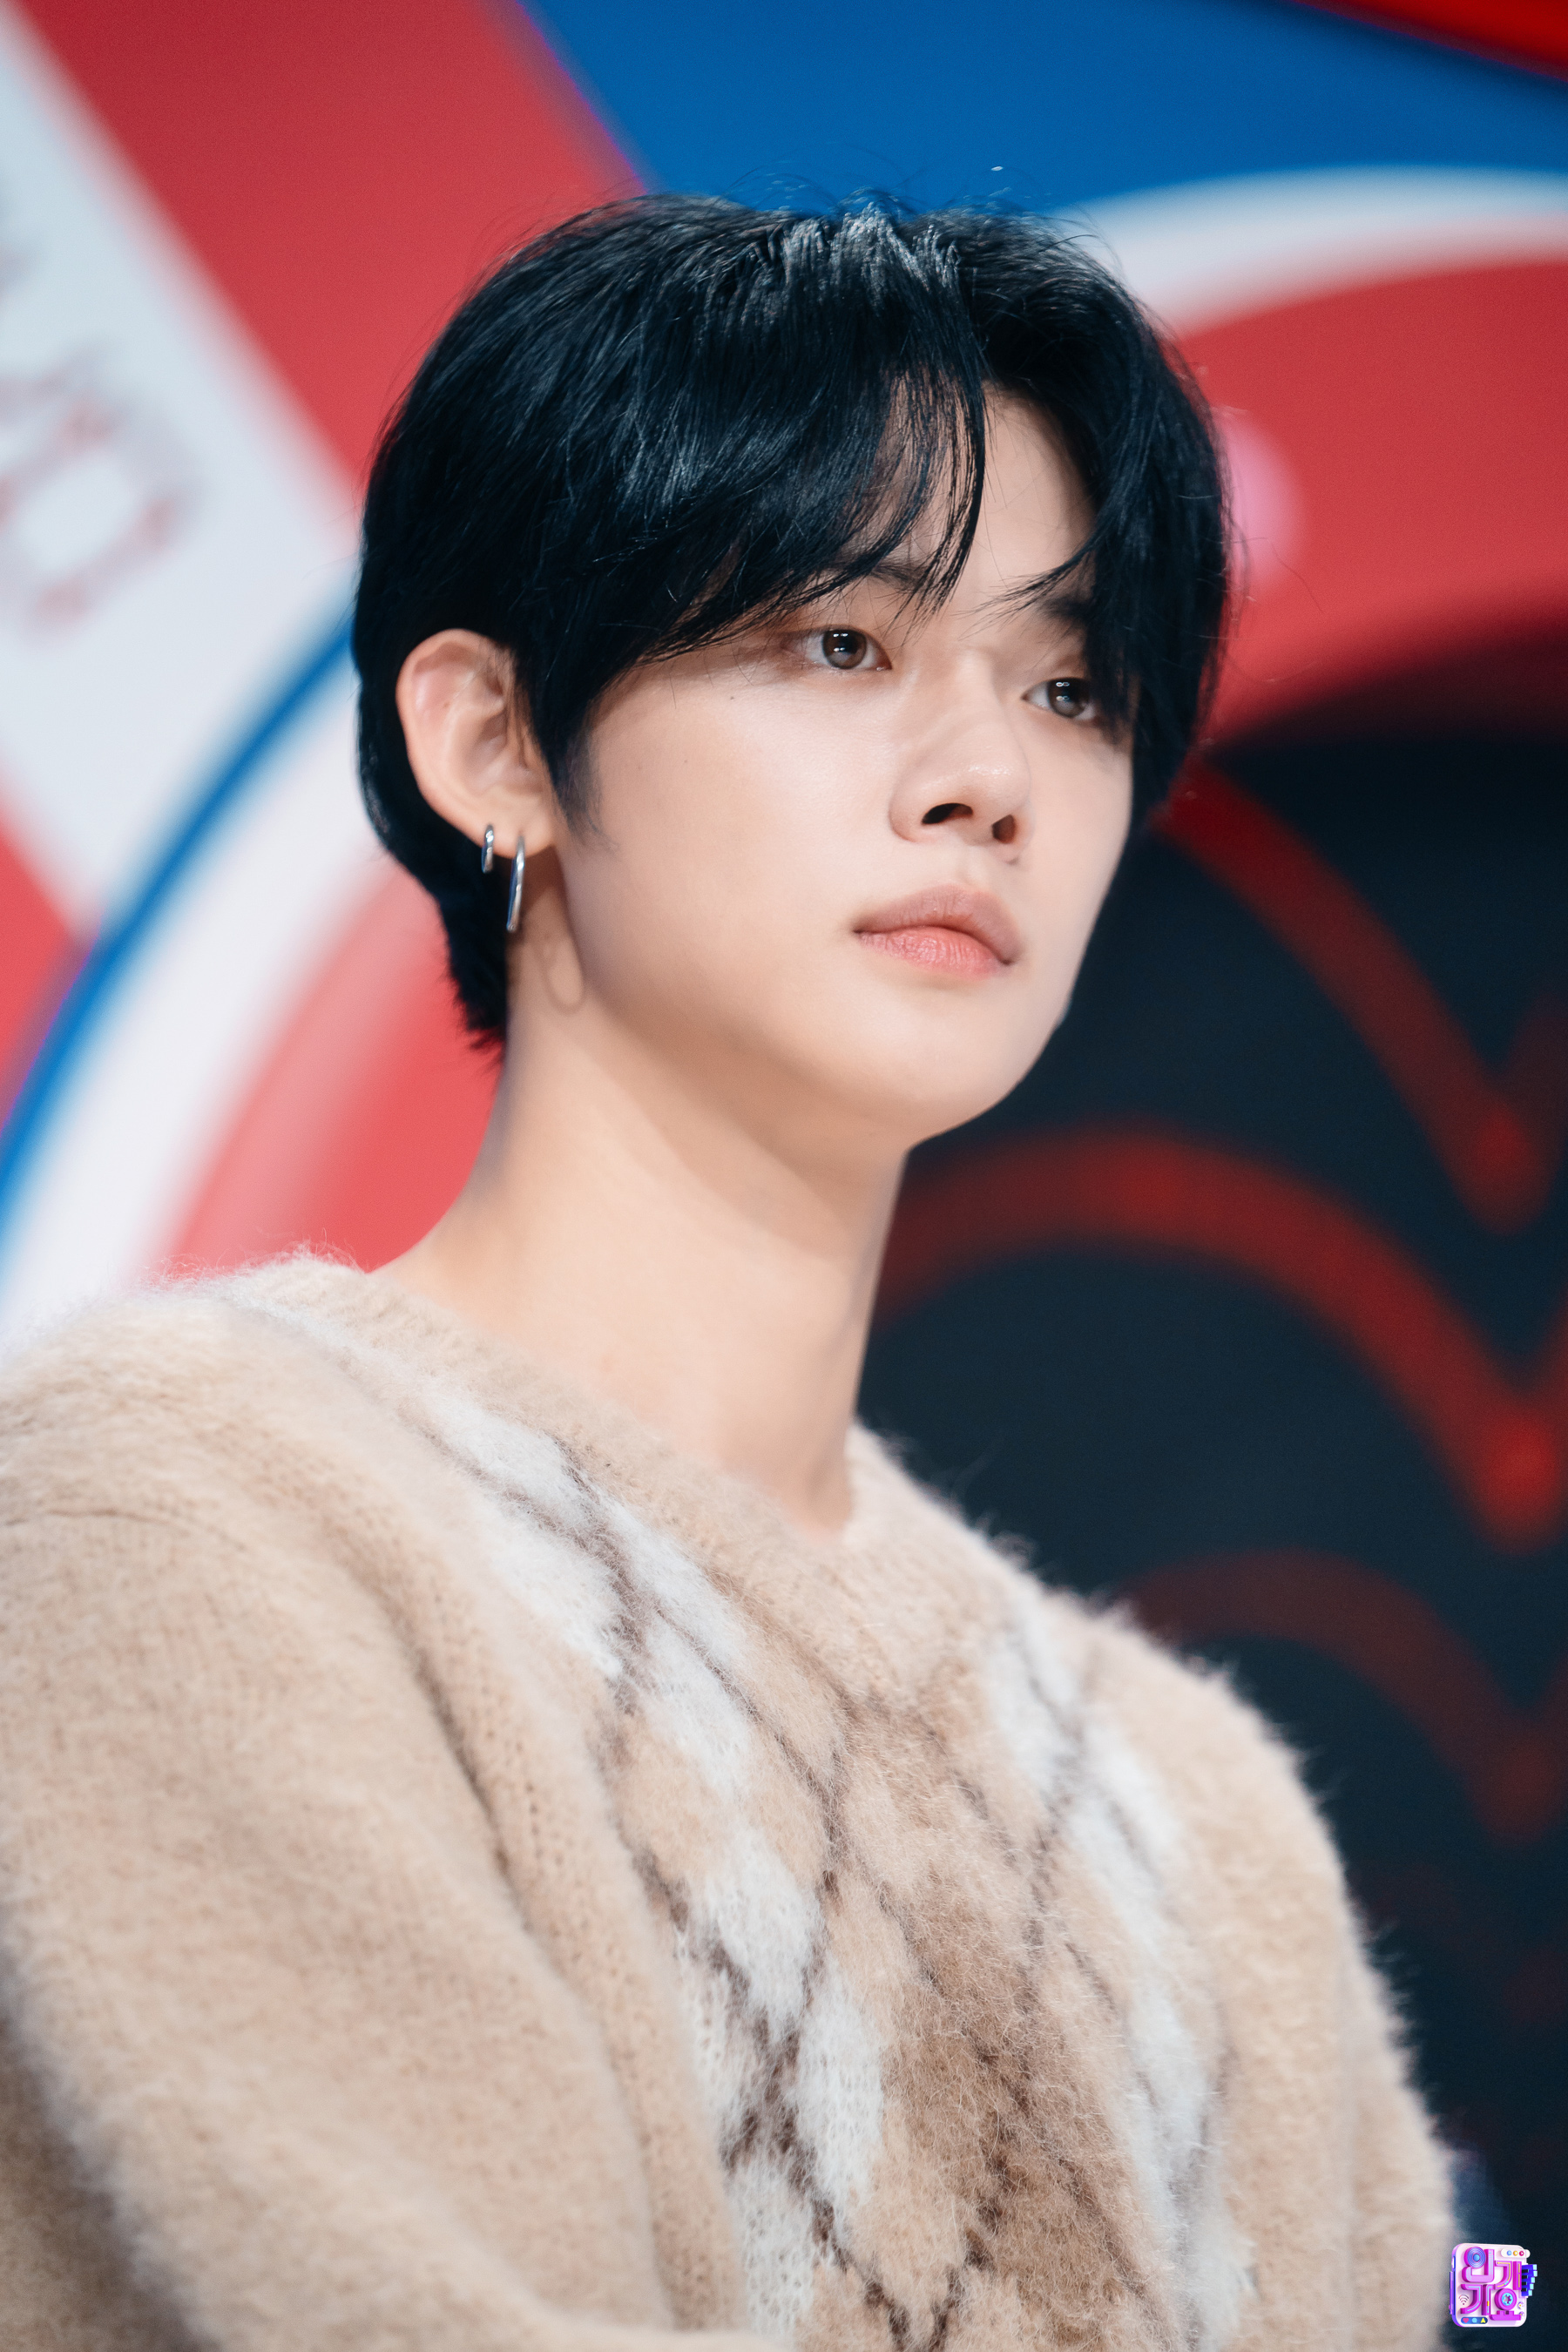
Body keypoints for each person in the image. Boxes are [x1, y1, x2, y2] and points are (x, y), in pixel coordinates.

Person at [0, 198, 1452, 2352]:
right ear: (497, 744)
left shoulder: (1198, 1801)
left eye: (1068, 685)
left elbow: (1446, 2295)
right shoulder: (183, 1510)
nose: (988, 782)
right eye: (842, 645)